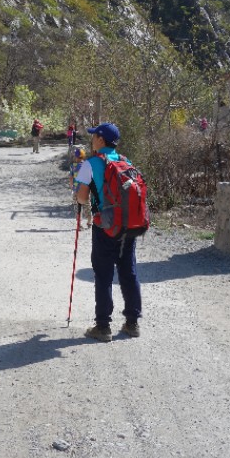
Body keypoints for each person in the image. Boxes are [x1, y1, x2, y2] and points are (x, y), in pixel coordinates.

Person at [74, 122, 142, 342]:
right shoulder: (126, 162)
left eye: (94, 137)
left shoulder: (90, 163)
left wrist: (81, 198)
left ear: (101, 140)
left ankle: (103, 327)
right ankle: (132, 323)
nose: (92, 140)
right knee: (128, 272)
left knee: (103, 275)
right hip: (128, 226)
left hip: (104, 226)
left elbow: (82, 197)